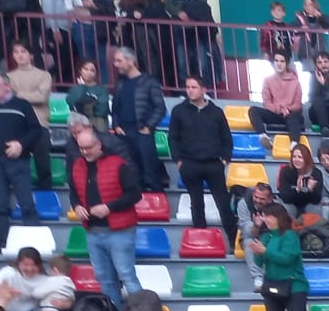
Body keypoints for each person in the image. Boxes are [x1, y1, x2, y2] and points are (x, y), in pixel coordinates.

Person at [69, 126, 142, 311]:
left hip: (120, 230)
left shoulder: (118, 164)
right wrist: (76, 206)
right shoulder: (77, 166)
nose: (85, 152)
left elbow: (135, 195)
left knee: (126, 275)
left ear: (99, 144)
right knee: (105, 279)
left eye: (88, 148)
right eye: (81, 148)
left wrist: (109, 207)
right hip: (93, 231)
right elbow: (74, 193)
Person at [0, 70, 49, 231]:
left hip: (18, 160)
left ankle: (34, 243)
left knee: (26, 204)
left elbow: (36, 130)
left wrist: (21, 144)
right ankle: (2, 244)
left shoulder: (22, 105)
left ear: (7, 86)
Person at [168, 74, 235, 233]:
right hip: (190, 164)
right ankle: (201, 238)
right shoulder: (178, 111)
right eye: (188, 87)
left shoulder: (217, 112)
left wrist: (225, 159)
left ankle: (233, 240)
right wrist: (178, 160)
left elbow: (226, 137)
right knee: (196, 204)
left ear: (203, 90)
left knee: (223, 203)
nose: (190, 91)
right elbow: (173, 138)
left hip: (213, 164)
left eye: (194, 87)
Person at [108, 46, 168, 191]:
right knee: (132, 176)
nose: (115, 65)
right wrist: (116, 125)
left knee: (150, 173)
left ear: (130, 61)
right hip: (124, 133)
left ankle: (157, 205)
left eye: (118, 61)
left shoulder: (149, 81)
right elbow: (115, 108)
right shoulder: (120, 83)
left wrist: (149, 127)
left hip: (142, 133)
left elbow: (160, 107)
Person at [247, 201, 308, 311]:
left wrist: (265, 251)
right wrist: (258, 253)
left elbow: (287, 259)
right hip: (271, 286)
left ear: (279, 217)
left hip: (294, 287)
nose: (266, 219)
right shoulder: (265, 237)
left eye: (269, 216)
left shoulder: (290, 236)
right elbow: (259, 263)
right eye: (264, 216)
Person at [250, 53, 307, 138]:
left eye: (282, 61)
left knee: (295, 116)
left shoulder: (295, 82)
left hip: (290, 114)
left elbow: (298, 104)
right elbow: (267, 103)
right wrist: (280, 109)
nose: (279, 64)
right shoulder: (267, 80)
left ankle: (294, 144)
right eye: (276, 61)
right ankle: (263, 136)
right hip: (275, 113)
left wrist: (287, 109)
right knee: (253, 110)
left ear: (286, 63)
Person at [6, 39, 55, 127]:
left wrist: (16, 94)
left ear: (31, 55)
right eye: (16, 52)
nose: (19, 55)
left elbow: (41, 97)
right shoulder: (8, 77)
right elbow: (7, 98)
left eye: (23, 51)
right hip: (16, 123)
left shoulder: (44, 75)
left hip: (39, 122)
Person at [275, 141, 323, 221]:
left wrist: (309, 190)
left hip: (309, 205)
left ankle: (312, 232)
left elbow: (317, 199)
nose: (296, 160)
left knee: (315, 209)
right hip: (291, 204)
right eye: (294, 157)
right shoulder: (286, 171)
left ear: (306, 158)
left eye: (300, 157)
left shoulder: (316, 173)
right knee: (286, 208)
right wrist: (299, 190)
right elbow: (284, 197)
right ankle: (289, 232)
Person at [65, 57, 110, 132]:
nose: (88, 72)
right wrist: (82, 87)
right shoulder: (75, 89)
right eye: (85, 69)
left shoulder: (101, 89)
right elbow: (73, 104)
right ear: (80, 71)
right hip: (78, 124)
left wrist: (84, 108)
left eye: (92, 70)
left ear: (96, 74)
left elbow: (102, 109)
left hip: (97, 124)